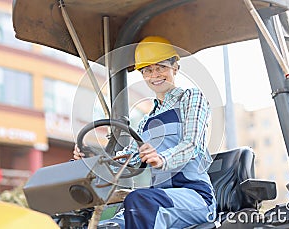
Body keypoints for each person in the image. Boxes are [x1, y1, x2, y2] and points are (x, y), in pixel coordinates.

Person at [73, 36, 216, 229]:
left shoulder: (190, 97)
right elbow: (128, 162)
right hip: (157, 198)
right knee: (106, 225)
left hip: (194, 198)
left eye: (161, 67)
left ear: (175, 67)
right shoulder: (145, 122)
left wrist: (162, 159)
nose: (155, 75)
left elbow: (191, 144)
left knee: (139, 200)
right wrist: (89, 160)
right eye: (148, 70)